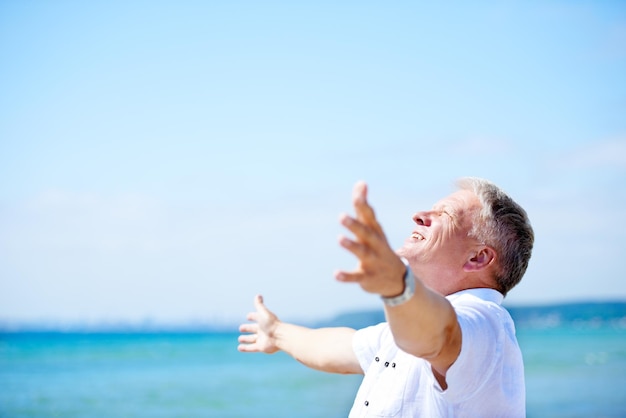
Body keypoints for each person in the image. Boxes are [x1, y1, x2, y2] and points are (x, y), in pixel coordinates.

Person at [238, 178, 534, 417]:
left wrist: (396, 285)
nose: (419, 216)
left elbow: (441, 335)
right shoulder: (404, 332)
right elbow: (334, 349)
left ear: (478, 257)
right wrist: (276, 332)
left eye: (444, 214)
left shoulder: (486, 325)